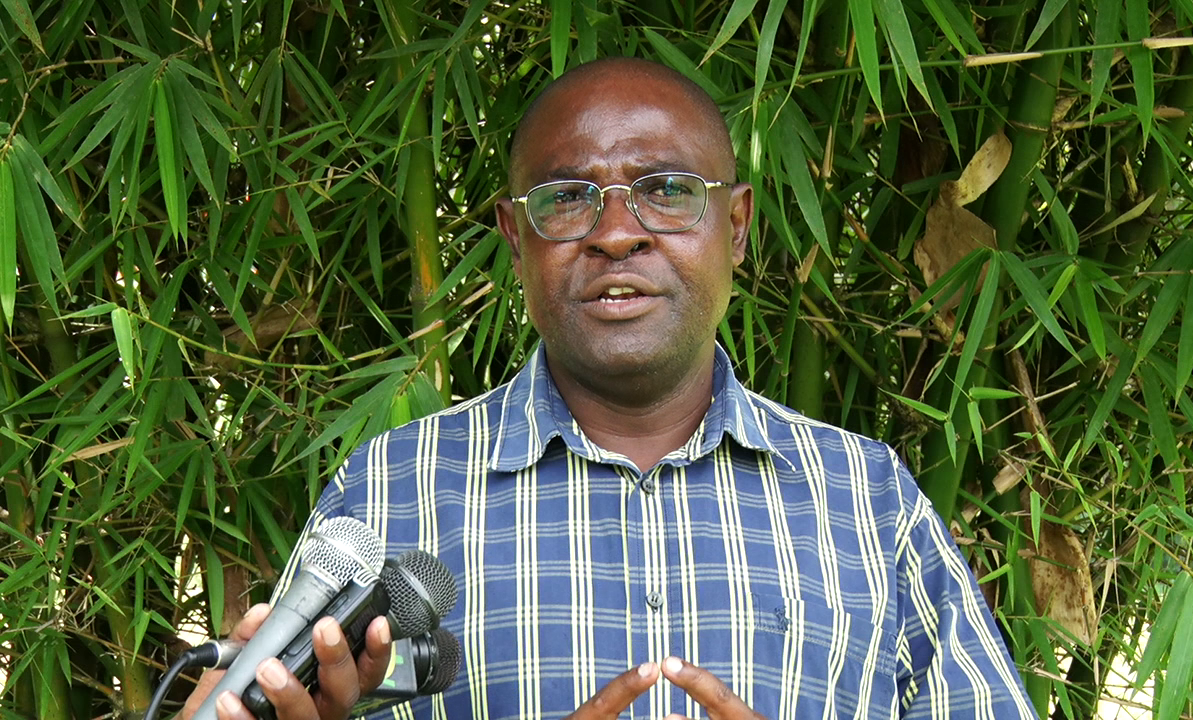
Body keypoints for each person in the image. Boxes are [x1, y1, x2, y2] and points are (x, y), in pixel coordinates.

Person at [185, 56, 1037, 720]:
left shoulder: (865, 498)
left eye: (667, 191)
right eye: (568, 199)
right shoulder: (390, 495)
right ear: (516, 239)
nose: (618, 233)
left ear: (735, 227)